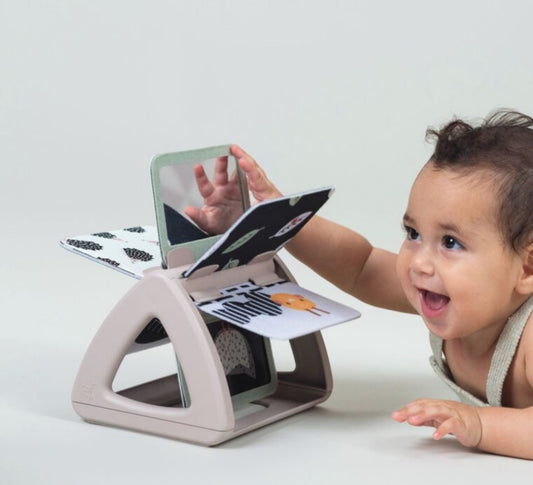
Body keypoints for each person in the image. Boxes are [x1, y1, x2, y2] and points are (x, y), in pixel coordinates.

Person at [186, 111, 533, 460]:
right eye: (413, 234)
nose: (419, 262)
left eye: (451, 242)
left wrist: (480, 425)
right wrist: (278, 219)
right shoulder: (456, 292)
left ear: (527, 267)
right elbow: (361, 266)